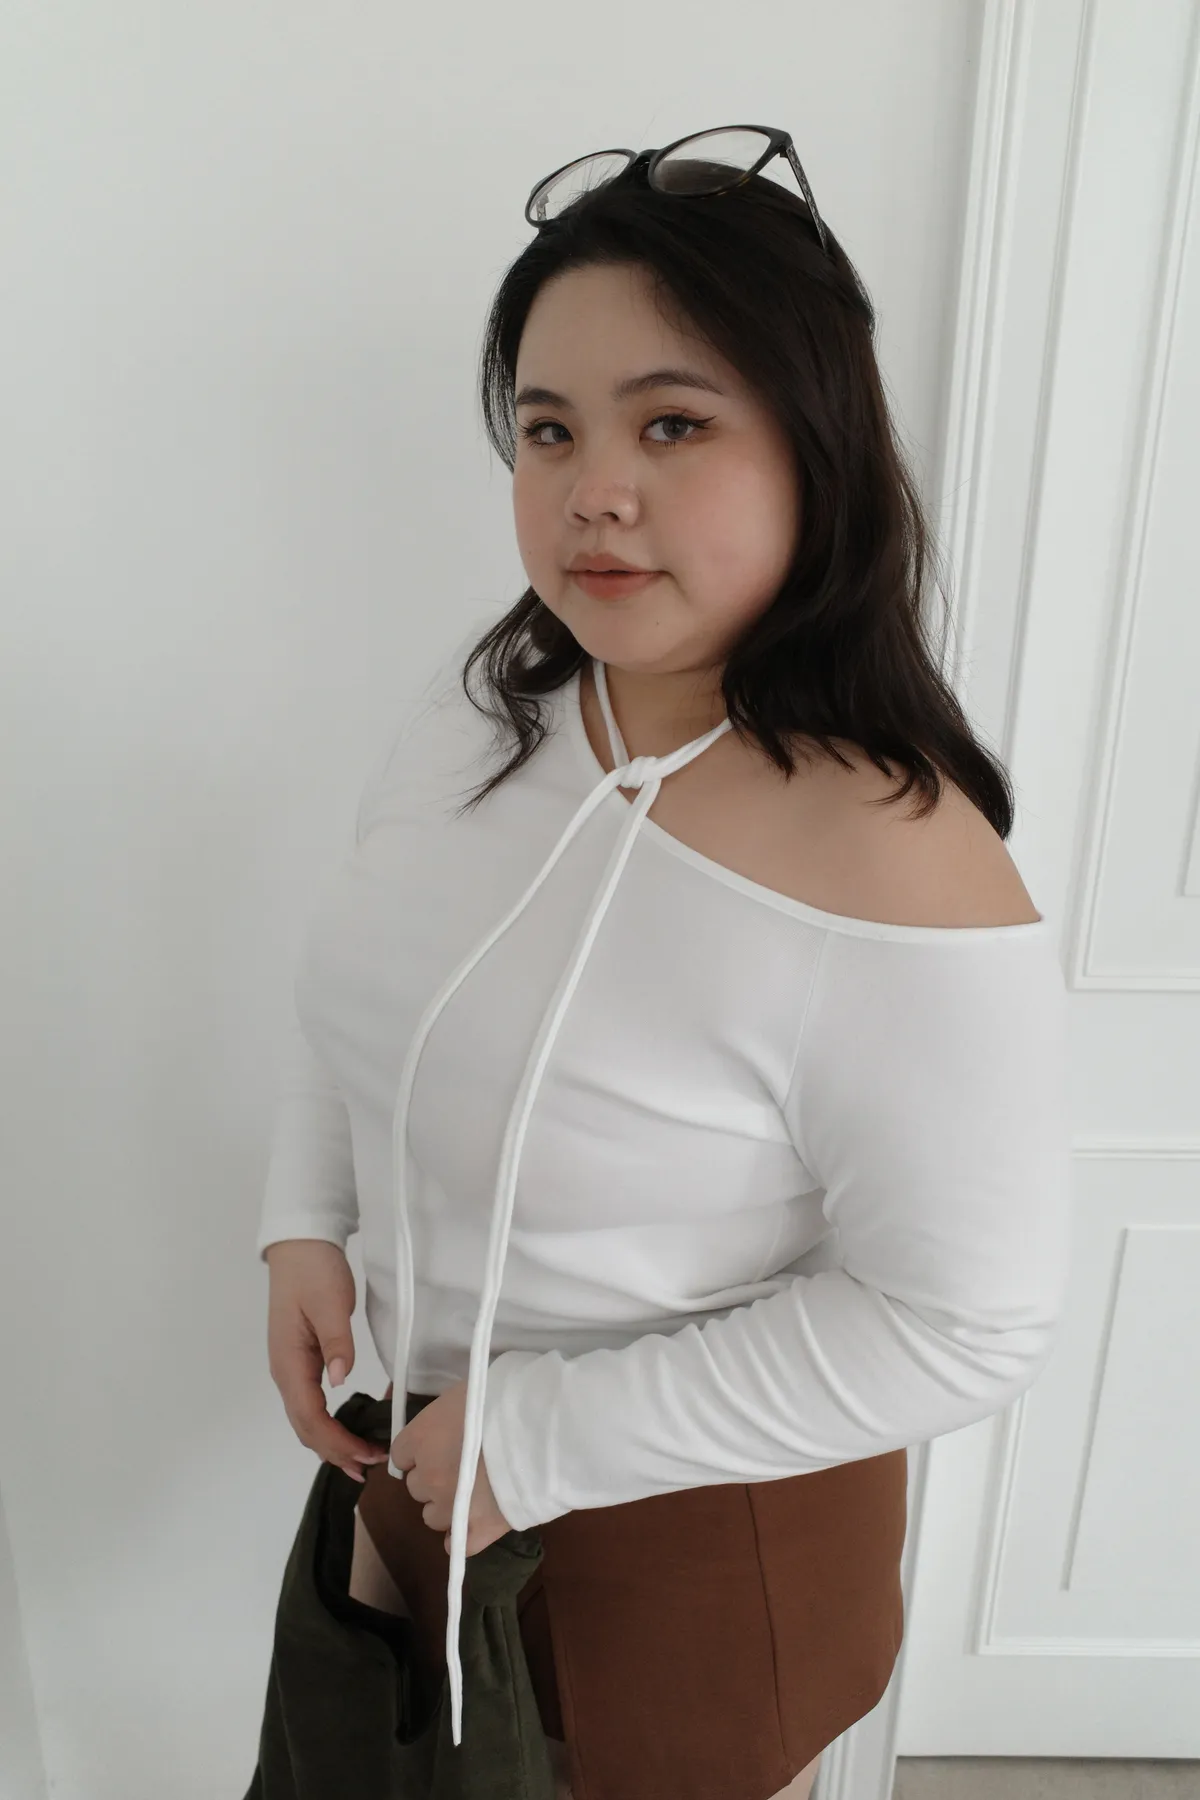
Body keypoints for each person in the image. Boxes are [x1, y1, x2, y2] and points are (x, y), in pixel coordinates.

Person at [255, 127, 1072, 1800]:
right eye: (548, 428)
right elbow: (371, 986)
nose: (592, 490)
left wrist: (538, 1439)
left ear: (818, 450)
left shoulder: (894, 857)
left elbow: (967, 1319)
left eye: (674, 423)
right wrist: (304, 1216)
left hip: (683, 1544)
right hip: (414, 1474)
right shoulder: (490, 713)